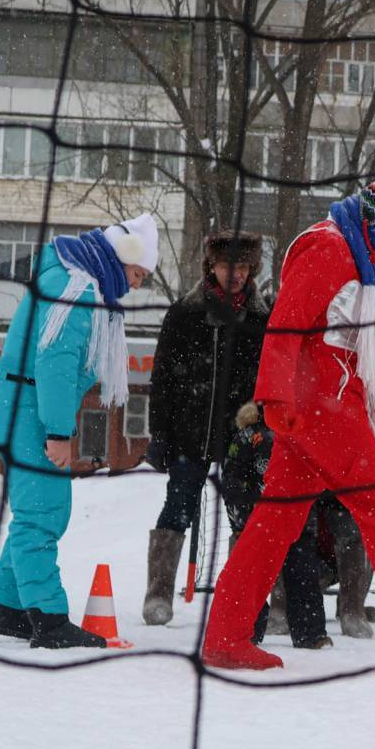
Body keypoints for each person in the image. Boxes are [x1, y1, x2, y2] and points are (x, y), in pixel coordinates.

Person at [199, 176, 375, 672]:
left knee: (274, 522)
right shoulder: (330, 249)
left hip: (325, 405)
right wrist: (273, 394)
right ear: (374, 218)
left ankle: (225, 634)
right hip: (323, 410)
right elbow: (287, 323)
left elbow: (361, 353)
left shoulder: (360, 259)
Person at [0, 214, 160, 649]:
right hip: (27, 406)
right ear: (122, 259)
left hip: (17, 401)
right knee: (44, 512)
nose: (137, 285)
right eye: (138, 273)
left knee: (33, 512)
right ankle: (48, 617)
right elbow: (56, 362)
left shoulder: (76, 277)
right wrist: (59, 431)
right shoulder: (78, 289)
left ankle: (9, 610)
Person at [142, 230, 270, 626]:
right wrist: (160, 433)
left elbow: (269, 379)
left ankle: (242, 599)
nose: (236, 274)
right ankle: (158, 594)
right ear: (211, 267)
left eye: (245, 266)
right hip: (189, 431)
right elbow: (162, 378)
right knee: (178, 505)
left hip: (241, 437)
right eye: (229, 266)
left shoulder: (263, 320)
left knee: (244, 516)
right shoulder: (185, 313)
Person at [222, 401, 331, 650]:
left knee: (303, 575)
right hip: (258, 522)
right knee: (252, 578)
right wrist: (239, 521)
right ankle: (247, 631)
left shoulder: (301, 432)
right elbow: (232, 480)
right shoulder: (249, 435)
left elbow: (314, 476)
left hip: (297, 520)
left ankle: (311, 635)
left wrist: (309, 516)